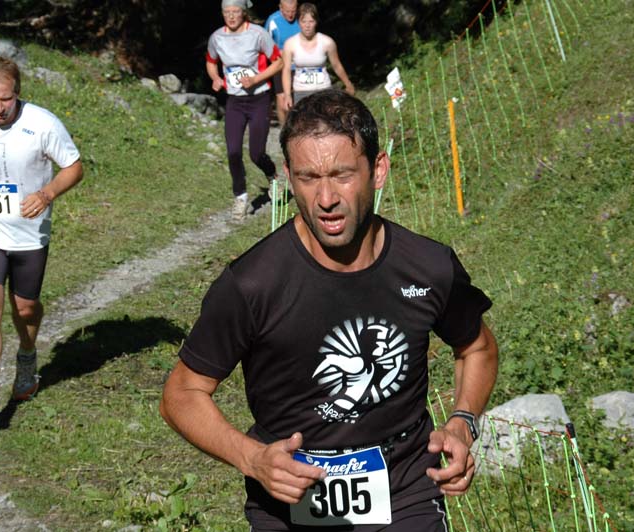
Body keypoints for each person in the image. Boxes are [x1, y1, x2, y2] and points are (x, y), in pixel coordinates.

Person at [160, 90, 499, 531]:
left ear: (378, 170)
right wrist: (253, 458)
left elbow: (477, 349)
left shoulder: (428, 266)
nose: (325, 198)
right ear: (288, 176)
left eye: (342, 175)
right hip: (289, 501)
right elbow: (181, 394)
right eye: (308, 177)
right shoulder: (252, 284)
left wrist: (462, 423)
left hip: (407, 490)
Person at [0, 55, 83, 422]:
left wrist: (47, 194)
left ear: (17, 91)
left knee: (24, 308)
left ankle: (26, 354)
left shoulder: (42, 124)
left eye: (6, 98)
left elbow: (74, 167)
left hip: (29, 232)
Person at [207, 0, 285, 221]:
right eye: (227, 12)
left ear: (243, 13)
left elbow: (278, 62)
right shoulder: (217, 38)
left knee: (256, 153)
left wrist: (256, 79)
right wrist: (215, 78)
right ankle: (240, 197)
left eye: (235, 12)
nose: (231, 16)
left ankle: (272, 176)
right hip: (235, 101)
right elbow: (211, 61)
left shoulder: (258, 34)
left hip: (259, 99)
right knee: (233, 152)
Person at [281, 3, 355, 111]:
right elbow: (286, 70)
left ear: (316, 22)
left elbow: (336, 65)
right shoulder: (290, 44)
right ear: (298, 22)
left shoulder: (327, 42)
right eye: (303, 21)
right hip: (301, 92)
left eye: (311, 21)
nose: (307, 25)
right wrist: (287, 95)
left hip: (324, 90)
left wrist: (348, 84)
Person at [264, 0, 300, 126]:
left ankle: (295, 127)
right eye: (287, 11)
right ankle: (284, 128)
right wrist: (276, 53)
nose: (290, 15)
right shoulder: (273, 20)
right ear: (280, 8)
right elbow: (264, 43)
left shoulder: (302, 18)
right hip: (280, 64)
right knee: (282, 98)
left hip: (299, 64)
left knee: (295, 99)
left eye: (293, 11)